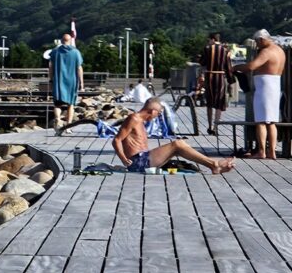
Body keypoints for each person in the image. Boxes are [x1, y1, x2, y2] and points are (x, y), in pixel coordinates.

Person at [113, 97, 235, 174]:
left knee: (180, 145)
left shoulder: (140, 121)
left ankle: (213, 165)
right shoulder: (134, 118)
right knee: (177, 144)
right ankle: (214, 165)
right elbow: (116, 140)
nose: (158, 117)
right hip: (137, 162)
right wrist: (124, 160)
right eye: (159, 114)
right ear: (153, 111)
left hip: (143, 159)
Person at [234, 29, 287, 159]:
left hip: (265, 87)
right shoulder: (280, 51)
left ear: (262, 39)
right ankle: (272, 152)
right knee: (272, 121)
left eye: (257, 42)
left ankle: (262, 151)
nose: (257, 45)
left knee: (261, 121)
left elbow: (251, 66)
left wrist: (236, 68)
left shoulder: (267, 51)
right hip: (275, 84)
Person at [198, 32, 235, 135]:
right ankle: (215, 126)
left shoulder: (207, 49)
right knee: (219, 102)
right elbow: (228, 67)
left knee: (209, 102)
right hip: (220, 77)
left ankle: (209, 125)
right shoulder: (226, 50)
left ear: (213, 39)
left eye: (209, 40)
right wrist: (231, 81)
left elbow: (202, 62)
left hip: (209, 76)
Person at [49, 32, 84, 129]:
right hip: (72, 82)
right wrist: (81, 83)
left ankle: (58, 120)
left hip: (58, 81)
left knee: (57, 104)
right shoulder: (76, 52)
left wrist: (51, 79)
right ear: (70, 40)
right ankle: (68, 126)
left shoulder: (55, 52)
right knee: (71, 104)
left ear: (61, 40)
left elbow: (50, 67)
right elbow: (79, 68)